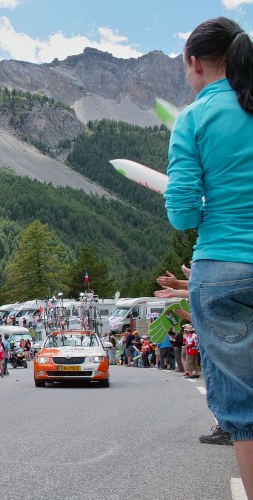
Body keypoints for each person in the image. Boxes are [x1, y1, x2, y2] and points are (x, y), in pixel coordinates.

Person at [163, 16, 253, 492]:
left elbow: (182, 215)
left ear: (195, 64)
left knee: (244, 409)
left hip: (222, 269)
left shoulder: (194, 117)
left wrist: (203, 201)